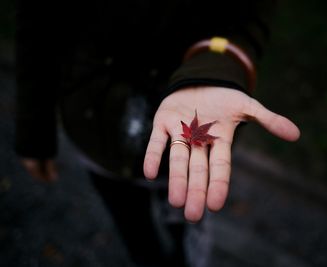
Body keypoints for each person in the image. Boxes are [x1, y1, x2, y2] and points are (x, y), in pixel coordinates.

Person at [15, 0, 300, 266]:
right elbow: (35, 26)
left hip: (176, 152)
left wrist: (217, 68)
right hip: (95, 128)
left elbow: (249, 15)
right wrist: (33, 132)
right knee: (133, 228)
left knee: (184, 230)